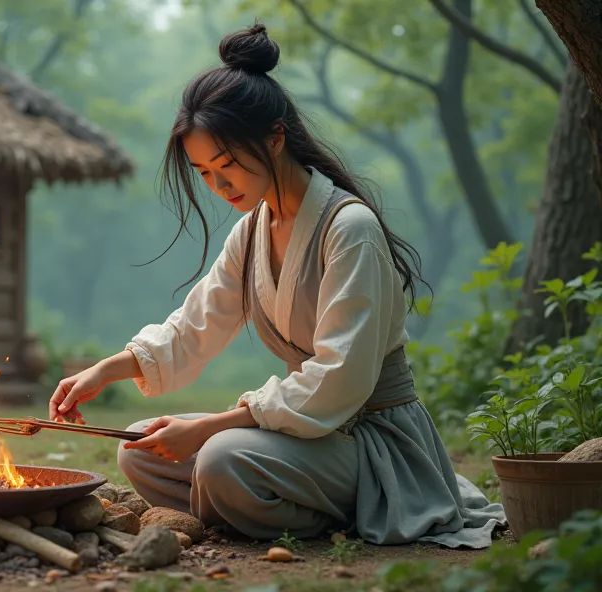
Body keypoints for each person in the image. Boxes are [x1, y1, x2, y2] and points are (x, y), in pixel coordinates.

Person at [47, 23, 507, 549]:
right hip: (300, 434)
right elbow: (197, 325)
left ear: (276, 138)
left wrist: (212, 427)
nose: (219, 186)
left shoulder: (349, 230)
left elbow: (340, 378)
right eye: (203, 172)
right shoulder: (253, 232)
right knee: (139, 448)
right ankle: (258, 501)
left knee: (220, 458)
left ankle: (324, 510)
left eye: (227, 165)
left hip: (371, 439)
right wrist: (106, 370)